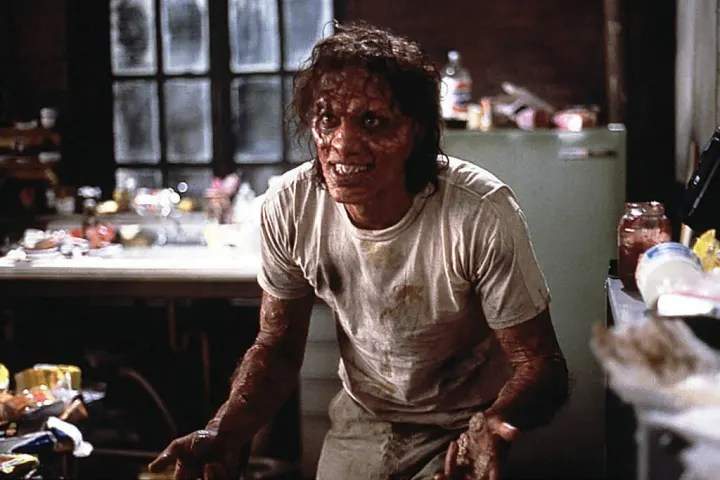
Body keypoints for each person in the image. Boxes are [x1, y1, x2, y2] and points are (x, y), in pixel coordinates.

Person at [149, 21, 569, 480]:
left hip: (465, 425)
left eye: (372, 121)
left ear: (415, 131)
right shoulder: (291, 206)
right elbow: (278, 347)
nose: (343, 145)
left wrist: (495, 426)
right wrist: (224, 431)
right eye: (328, 120)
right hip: (364, 421)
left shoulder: (478, 212)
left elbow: (540, 364)